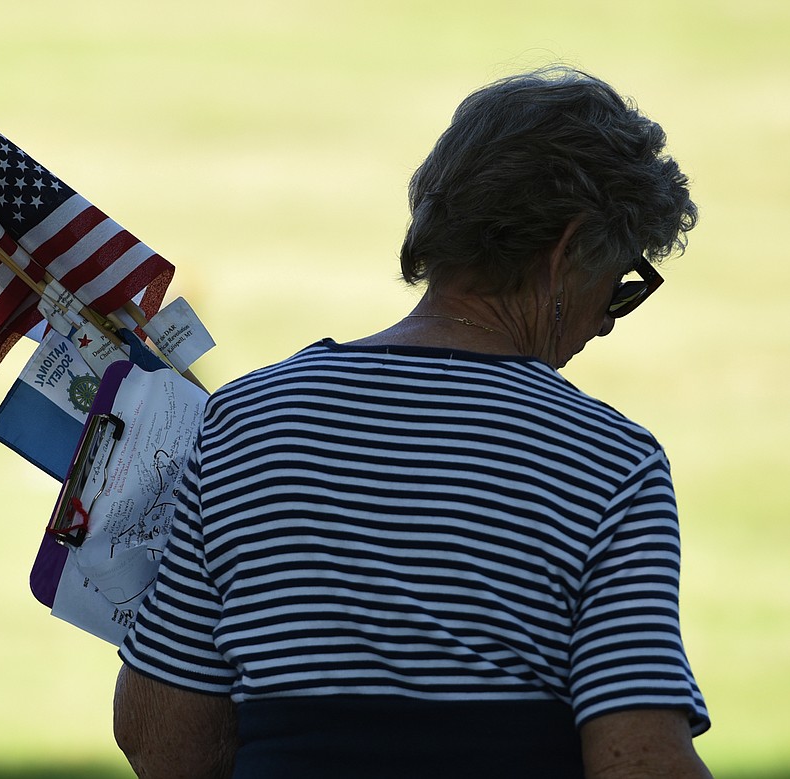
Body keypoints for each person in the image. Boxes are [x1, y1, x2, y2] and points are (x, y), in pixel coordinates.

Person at [113, 66, 712, 778]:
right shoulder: (611, 463)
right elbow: (638, 761)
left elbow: (163, 742)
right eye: (619, 284)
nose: (605, 323)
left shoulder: (247, 421)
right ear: (568, 251)